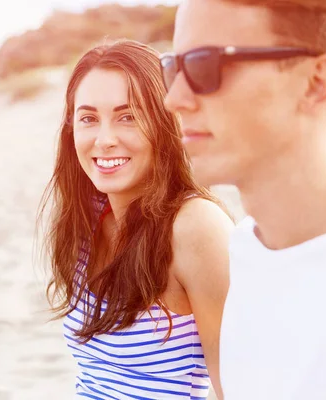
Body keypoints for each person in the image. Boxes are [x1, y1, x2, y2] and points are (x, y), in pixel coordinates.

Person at [161, 0, 326, 399]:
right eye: (173, 68)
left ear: (315, 82)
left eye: (206, 65)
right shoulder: (244, 250)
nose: (174, 99)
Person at [38, 39, 233, 399]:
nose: (105, 139)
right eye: (89, 119)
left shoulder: (195, 226)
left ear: (163, 123)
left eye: (128, 117)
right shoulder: (88, 218)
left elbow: (238, 386)